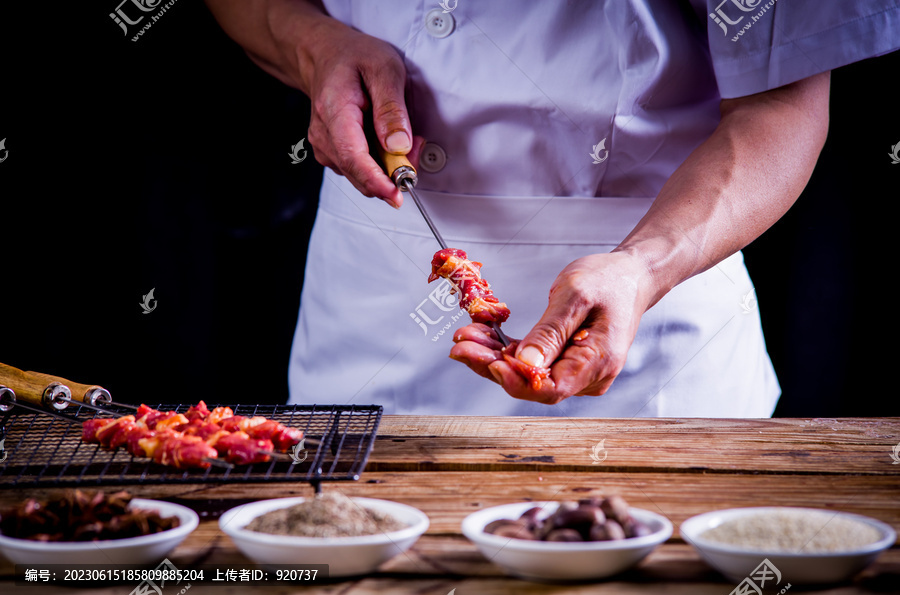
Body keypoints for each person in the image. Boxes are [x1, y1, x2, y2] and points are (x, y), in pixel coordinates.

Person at [204, 0, 899, 417]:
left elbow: (783, 103)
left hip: (652, 338)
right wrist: (314, 47)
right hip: (365, 314)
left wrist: (639, 269)